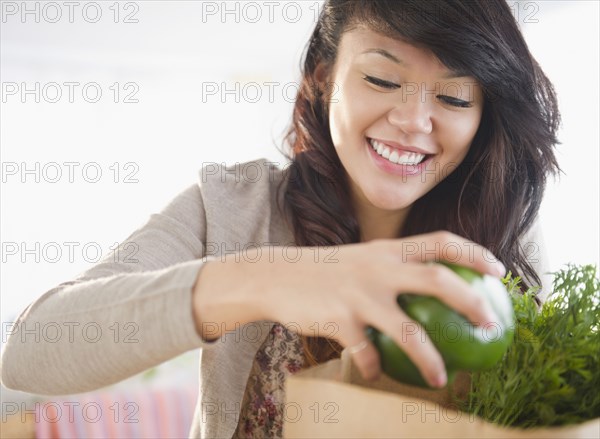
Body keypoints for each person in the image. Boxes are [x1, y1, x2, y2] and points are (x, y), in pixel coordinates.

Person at [1, 0, 560, 438]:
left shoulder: (504, 245)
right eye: (382, 80)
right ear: (323, 78)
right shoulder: (229, 209)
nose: (414, 121)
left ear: (485, 114)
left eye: (455, 98)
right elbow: (30, 351)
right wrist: (270, 277)